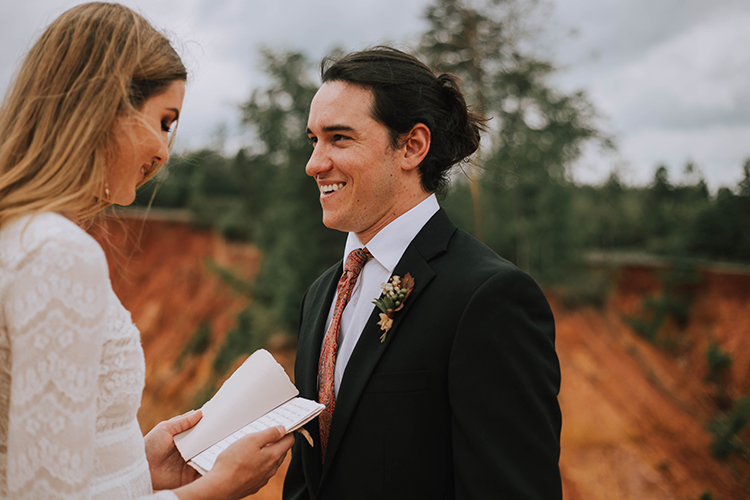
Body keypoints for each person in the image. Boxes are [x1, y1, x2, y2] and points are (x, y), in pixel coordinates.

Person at [0, 3, 293, 499]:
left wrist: (139, 464)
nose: (164, 150)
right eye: (163, 120)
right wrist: (212, 490)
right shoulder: (58, 254)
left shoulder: (19, 236)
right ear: (104, 106)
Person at [282, 46, 562, 500]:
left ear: (412, 146)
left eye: (339, 138)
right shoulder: (321, 294)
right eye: (313, 139)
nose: (314, 163)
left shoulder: (489, 298)